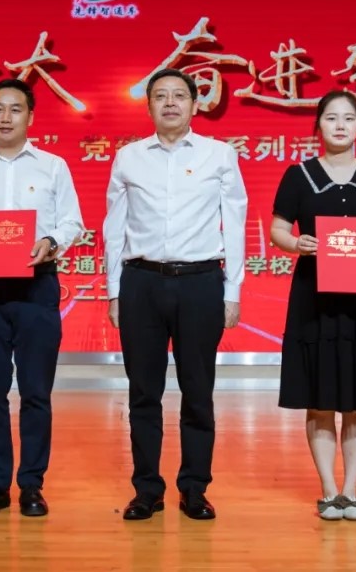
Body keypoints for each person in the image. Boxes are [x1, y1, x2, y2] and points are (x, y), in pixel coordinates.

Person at [103, 68, 247, 521]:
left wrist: (233, 290)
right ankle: (147, 489)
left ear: (194, 105)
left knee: (198, 392)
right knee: (143, 393)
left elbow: (235, 223)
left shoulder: (219, 155)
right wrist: (113, 291)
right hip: (141, 282)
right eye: (160, 96)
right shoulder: (128, 158)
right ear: (148, 106)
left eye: (179, 95)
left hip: (201, 282)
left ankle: (195, 488)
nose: (170, 103)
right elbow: (113, 228)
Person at [0, 78, 84, 517]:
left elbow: (72, 222)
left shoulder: (53, 167)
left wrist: (51, 240)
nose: (6, 117)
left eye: (16, 109)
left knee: (36, 391)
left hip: (36, 285)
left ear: (30, 117)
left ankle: (31, 484)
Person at [269, 90, 356, 521]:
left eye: (348, 118)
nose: (340, 125)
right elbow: (278, 230)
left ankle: (352, 490)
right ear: (318, 126)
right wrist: (296, 244)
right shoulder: (298, 176)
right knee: (320, 397)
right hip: (314, 297)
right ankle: (328, 490)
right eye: (331, 118)